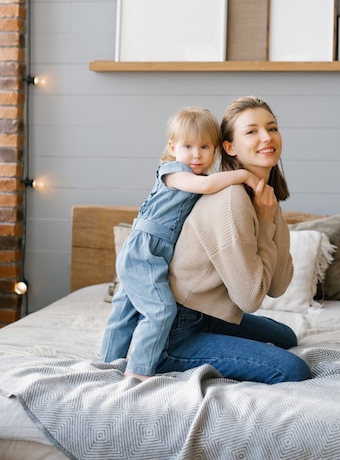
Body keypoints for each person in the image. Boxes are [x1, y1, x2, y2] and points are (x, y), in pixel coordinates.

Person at [154, 96, 311, 384]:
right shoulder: (231, 198)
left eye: (272, 128)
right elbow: (251, 298)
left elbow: (276, 286)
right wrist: (264, 224)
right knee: (293, 370)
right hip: (175, 330)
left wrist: (271, 215)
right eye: (252, 131)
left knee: (286, 336)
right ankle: (167, 359)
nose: (266, 137)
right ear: (230, 147)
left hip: (210, 314)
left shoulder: (262, 196)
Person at [100, 106, 260, 380]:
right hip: (144, 251)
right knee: (160, 310)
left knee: (125, 312)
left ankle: (107, 364)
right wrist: (245, 175)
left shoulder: (202, 179)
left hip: (153, 255)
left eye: (204, 147)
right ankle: (137, 372)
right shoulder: (172, 172)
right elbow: (207, 187)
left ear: (216, 150)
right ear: (173, 148)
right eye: (188, 146)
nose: (196, 154)